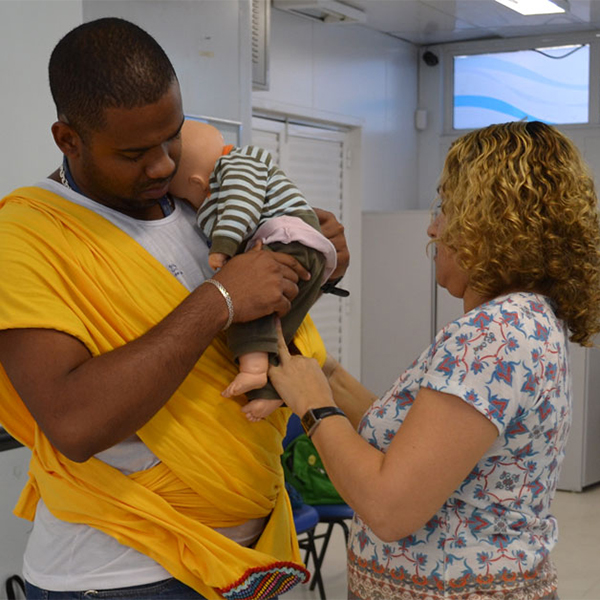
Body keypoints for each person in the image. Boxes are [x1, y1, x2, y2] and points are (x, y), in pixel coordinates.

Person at [0, 17, 349, 600]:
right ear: (68, 139)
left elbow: (272, 317)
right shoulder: (27, 236)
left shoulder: (199, 197)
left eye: (172, 136)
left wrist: (314, 257)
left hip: (248, 555)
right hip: (117, 576)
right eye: (134, 152)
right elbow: (73, 423)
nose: (162, 165)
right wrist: (220, 299)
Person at [269, 121, 600, 599]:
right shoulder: (524, 320)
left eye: (446, 208)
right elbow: (412, 444)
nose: (432, 226)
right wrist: (324, 373)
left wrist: (316, 410)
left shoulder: (494, 336)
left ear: (488, 222)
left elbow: (389, 507)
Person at [169, 120, 338, 421]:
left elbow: (241, 205)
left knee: (246, 307)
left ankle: (254, 370)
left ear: (197, 183)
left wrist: (224, 245)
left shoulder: (236, 164)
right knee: (279, 327)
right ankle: (271, 390)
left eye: (185, 198)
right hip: (305, 248)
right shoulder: (239, 169)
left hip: (284, 238)